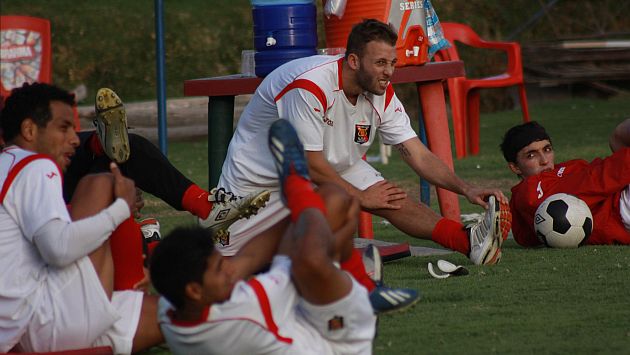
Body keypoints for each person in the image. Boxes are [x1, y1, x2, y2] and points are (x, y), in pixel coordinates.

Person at [216, 18, 511, 312]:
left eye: (393, 62)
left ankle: (468, 241)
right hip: (258, 183)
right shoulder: (310, 85)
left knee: (390, 198)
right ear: (354, 60)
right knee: (230, 270)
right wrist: (360, 196)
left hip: (329, 164)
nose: (389, 72)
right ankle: (341, 276)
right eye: (381, 62)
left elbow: (416, 153)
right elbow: (309, 163)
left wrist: (467, 188)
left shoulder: (382, 92)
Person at [150, 119, 377, 354]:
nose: (229, 268)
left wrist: (299, 210)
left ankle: (359, 277)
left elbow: (249, 257)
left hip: (292, 323)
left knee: (321, 212)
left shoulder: (171, 308)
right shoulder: (242, 311)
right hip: (340, 338)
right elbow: (309, 258)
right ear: (194, 291)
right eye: (219, 268)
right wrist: (297, 188)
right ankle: (365, 287)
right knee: (331, 213)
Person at [0, 83, 163, 353]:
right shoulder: (35, 165)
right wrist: (122, 207)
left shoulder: (7, 162)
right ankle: (135, 283)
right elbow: (57, 249)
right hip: (38, 326)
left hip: (18, 327)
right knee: (100, 185)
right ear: (29, 130)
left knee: (170, 314)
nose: (75, 139)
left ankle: (133, 289)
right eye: (64, 128)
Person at [66, 87, 270, 243]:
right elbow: (59, 241)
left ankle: (99, 145)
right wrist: (117, 204)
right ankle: (199, 214)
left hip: (80, 196)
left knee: (129, 148)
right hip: (75, 216)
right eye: (61, 128)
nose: (71, 138)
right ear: (31, 131)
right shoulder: (38, 174)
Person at [500, 120, 630, 247]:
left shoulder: (568, 167)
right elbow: (592, 183)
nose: (545, 160)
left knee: (618, 135)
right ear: (515, 167)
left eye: (547, 149)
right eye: (531, 155)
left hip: (621, 188)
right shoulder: (529, 191)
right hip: (621, 208)